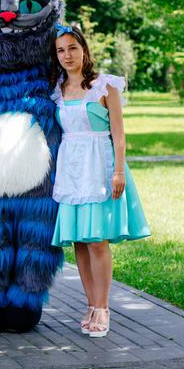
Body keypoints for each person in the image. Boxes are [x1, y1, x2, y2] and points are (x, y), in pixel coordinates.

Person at [50, 24, 150, 337]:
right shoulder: (57, 90)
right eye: (61, 50)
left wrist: (118, 171)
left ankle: (103, 307)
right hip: (71, 169)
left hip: (99, 168)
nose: (67, 55)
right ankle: (91, 304)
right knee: (79, 241)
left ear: (84, 50)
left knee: (96, 240)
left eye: (72, 48)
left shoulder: (105, 86)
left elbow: (118, 133)